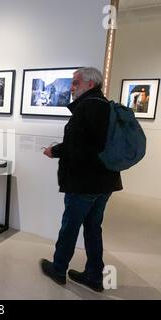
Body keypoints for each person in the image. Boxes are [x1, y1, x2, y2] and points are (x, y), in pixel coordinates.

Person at [40, 67, 122, 292]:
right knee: (93, 227)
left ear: (89, 84)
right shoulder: (106, 106)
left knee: (70, 226)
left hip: (85, 182)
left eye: (76, 82)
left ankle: (58, 268)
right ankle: (95, 275)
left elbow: (76, 147)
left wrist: (53, 151)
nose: (71, 87)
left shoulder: (87, 108)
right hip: (105, 181)